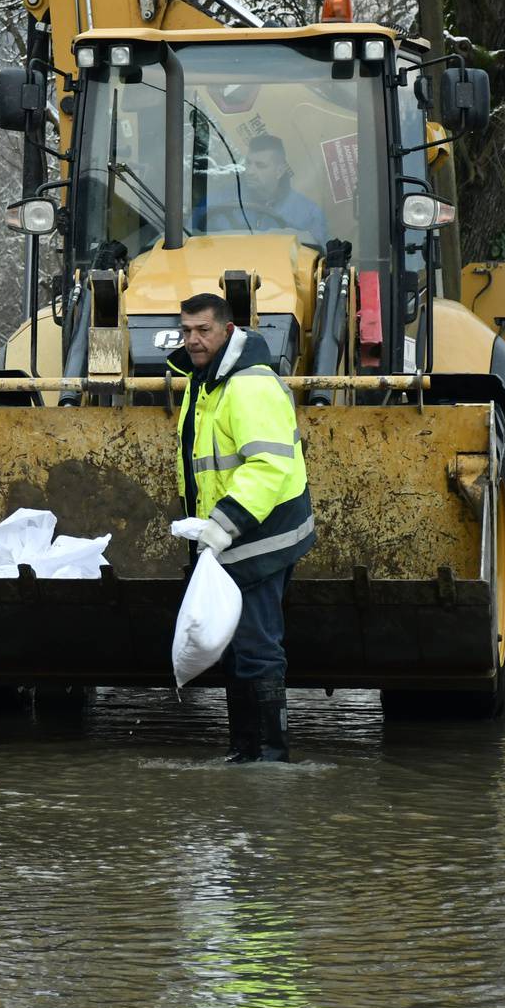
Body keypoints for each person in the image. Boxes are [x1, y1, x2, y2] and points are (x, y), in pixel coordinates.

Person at [167, 292, 315, 762]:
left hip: (261, 534)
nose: (193, 339)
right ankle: (245, 752)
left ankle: (270, 759)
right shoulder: (204, 382)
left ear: (227, 330)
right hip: (232, 535)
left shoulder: (248, 385)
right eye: (186, 330)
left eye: (203, 330)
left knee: (255, 647)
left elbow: (269, 465)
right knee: (238, 648)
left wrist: (223, 524)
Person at [201, 134, 330, 242]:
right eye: (248, 163)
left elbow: (317, 261)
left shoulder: (308, 215)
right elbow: (191, 242)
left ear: (279, 171)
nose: (250, 171)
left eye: (260, 165)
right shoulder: (217, 201)